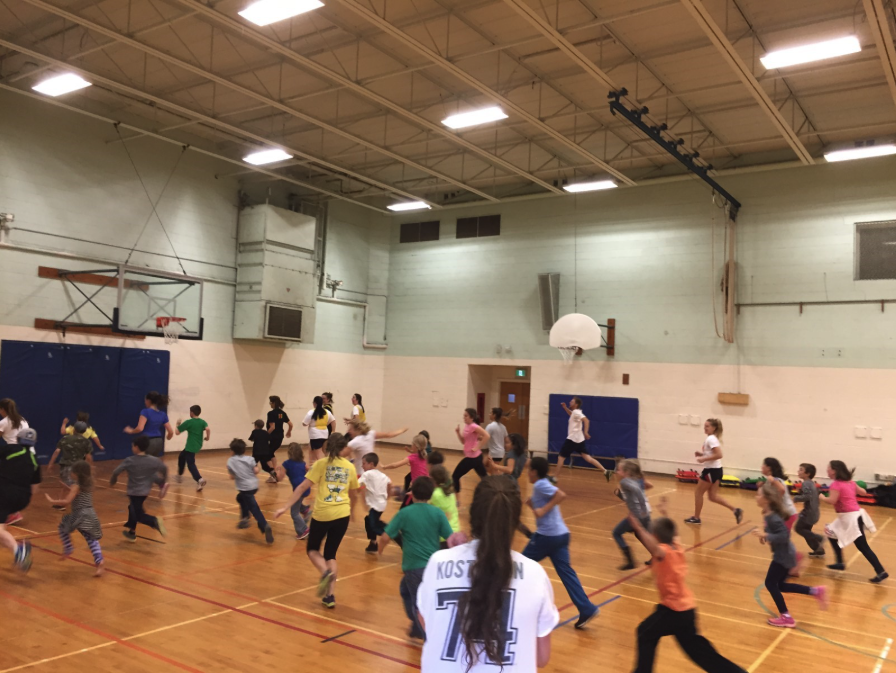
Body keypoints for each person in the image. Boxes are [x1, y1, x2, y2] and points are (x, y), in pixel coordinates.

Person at [417, 477, 559, 672]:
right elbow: (542, 658)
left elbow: (428, 623)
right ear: (515, 522)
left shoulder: (437, 563)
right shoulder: (535, 574)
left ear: (473, 514)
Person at [628, 503, 748, 673]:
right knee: (698, 652)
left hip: (673, 610)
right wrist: (665, 513)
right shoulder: (676, 547)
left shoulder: (663, 552)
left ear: (655, 536)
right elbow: (673, 533)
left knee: (644, 632)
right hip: (687, 609)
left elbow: (654, 546)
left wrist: (638, 527)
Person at [274, 433, 359, 609]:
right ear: (344, 447)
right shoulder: (349, 467)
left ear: (327, 447)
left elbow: (303, 487)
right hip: (342, 514)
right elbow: (353, 494)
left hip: (323, 514)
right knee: (331, 554)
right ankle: (330, 596)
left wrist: (285, 506)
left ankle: (324, 571)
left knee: (312, 549)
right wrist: (352, 511)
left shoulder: (321, 464)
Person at [523, 456, 598, 629]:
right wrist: (533, 506)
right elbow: (541, 512)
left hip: (547, 537)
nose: (527, 473)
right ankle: (587, 608)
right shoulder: (541, 485)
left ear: (534, 472)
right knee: (567, 574)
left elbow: (560, 495)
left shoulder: (540, 484)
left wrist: (541, 509)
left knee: (519, 566)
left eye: (529, 470)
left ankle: (510, 603)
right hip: (561, 535)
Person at [379, 476, 453, 641]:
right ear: (431, 494)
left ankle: (427, 636)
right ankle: (417, 627)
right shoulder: (437, 513)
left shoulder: (405, 513)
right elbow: (451, 539)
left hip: (414, 568)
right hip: (433, 567)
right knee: (405, 590)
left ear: (411, 493)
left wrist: (380, 549)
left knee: (417, 603)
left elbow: (385, 536)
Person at [753, 481, 828, 628]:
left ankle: (786, 617)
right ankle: (816, 591)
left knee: (770, 583)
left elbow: (784, 536)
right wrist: (766, 536)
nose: (756, 497)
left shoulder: (773, 517)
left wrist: (766, 535)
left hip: (784, 556)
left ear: (767, 499)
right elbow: (777, 534)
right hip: (786, 553)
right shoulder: (768, 514)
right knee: (780, 585)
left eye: (759, 494)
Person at [822, 460, 887, 582]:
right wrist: (851, 489)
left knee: (862, 546)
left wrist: (821, 497)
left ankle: (881, 571)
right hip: (851, 515)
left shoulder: (836, 485)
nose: (827, 470)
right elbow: (863, 492)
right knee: (831, 532)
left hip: (850, 517)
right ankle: (840, 562)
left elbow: (832, 501)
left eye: (829, 468)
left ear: (835, 470)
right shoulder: (849, 482)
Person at [45, 460, 104, 577]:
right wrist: (67, 487)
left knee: (62, 527)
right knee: (91, 539)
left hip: (79, 514)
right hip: (90, 513)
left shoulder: (76, 486)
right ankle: (100, 561)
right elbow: (76, 493)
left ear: (76, 473)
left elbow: (66, 501)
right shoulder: (88, 484)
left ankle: (68, 547)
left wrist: (53, 501)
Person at [685, 418, 743, 526]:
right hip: (717, 470)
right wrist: (702, 455)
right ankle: (735, 510)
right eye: (704, 426)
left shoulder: (711, 439)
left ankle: (696, 518)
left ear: (714, 428)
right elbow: (713, 454)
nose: (705, 428)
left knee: (698, 493)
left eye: (707, 426)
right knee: (712, 496)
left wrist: (703, 459)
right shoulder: (712, 438)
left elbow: (719, 455)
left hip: (711, 471)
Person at [110, 436, 169, 542]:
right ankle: (132, 532)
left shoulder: (130, 460)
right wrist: (163, 482)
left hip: (134, 492)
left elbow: (116, 471)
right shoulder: (154, 460)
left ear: (136, 447)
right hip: (145, 492)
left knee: (139, 515)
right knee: (133, 508)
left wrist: (113, 480)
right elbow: (164, 469)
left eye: (132, 446)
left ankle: (154, 521)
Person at [0, 427, 39, 571]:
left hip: (4, 493)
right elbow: (34, 489)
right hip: (23, 499)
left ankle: (19, 552)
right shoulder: (34, 460)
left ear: (18, 438)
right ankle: (19, 548)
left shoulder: (10, 449)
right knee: (1, 529)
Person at [227, 438, 274, 544]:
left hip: (245, 488)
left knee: (254, 508)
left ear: (233, 451)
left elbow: (231, 476)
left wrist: (237, 474)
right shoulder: (250, 459)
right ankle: (245, 518)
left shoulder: (230, 461)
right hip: (254, 486)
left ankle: (264, 525)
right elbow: (256, 471)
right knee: (240, 498)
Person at [556, 397, 611, 478]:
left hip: (572, 439)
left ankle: (554, 478)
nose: (570, 402)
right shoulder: (575, 412)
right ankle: (606, 471)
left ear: (576, 404)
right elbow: (572, 415)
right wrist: (565, 408)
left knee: (561, 457)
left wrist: (585, 432)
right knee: (588, 458)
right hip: (579, 440)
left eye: (572, 401)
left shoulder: (576, 413)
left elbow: (586, 420)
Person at [613, 459, 652, 570]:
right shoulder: (638, 479)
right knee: (641, 534)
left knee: (616, 533)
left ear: (627, 472)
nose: (616, 471)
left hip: (638, 515)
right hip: (646, 512)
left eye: (619, 470)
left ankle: (630, 562)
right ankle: (656, 555)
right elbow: (644, 489)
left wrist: (641, 509)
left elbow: (637, 492)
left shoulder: (625, 482)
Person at [452, 408, 489, 505]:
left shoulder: (473, 426)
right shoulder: (467, 426)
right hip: (476, 457)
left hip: (472, 458)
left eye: (466, 416)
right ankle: (492, 494)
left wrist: (478, 447)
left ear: (472, 417)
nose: (464, 417)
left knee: (455, 476)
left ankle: (457, 500)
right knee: (485, 478)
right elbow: (464, 442)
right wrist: (458, 433)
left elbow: (487, 436)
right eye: (464, 415)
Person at [277, 443, 311, 540]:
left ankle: (303, 530)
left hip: (298, 489)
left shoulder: (286, 464)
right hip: (306, 487)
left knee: (294, 513)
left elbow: (280, 478)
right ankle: (305, 509)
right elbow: (310, 471)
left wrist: (277, 471)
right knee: (297, 501)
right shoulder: (303, 463)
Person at [383, 434, 428, 507]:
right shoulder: (425, 456)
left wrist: (384, 467)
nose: (411, 445)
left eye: (412, 443)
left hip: (416, 489)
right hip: (426, 488)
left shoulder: (412, 457)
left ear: (416, 446)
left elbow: (395, 465)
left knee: (403, 509)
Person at [358, 452, 391, 553]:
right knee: (368, 520)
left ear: (371, 464)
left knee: (375, 526)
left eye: (364, 463)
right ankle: (373, 544)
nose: (362, 466)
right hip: (381, 504)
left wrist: (361, 492)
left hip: (376, 506)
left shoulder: (367, 474)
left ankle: (394, 534)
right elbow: (390, 484)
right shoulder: (381, 474)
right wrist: (388, 496)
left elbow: (360, 484)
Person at [124, 391, 173, 457]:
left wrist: (131, 431)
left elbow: (140, 428)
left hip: (147, 441)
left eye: (145, 400)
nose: (145, 402)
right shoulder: (163, 414)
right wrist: (168, 438)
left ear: (148, 401)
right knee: (152, 463)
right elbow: (171, 432)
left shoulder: (145, 412)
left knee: (143, 463)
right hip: (159, 441)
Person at [47, 421, 93, 488]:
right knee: (77, 488)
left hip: (66, 467)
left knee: (66, 487)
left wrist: (50, 464)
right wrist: (89, 470)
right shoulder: (87, 442)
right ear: (85, 431)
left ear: (74, 429)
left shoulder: (65, 438)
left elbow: (57, 451)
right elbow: (88, 457)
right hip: (79, 468)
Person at [175, 405, 209, 491]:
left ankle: (199, 479)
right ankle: (179, 475)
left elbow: (177, 432)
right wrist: (207, 437)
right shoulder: (202, 422)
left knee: (190, 464)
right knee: (182, 456)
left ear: (192, 413)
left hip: (191, 446)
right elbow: (208, 429)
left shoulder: (189, 422)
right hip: (198, 445)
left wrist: (177, 424)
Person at [793, 463, 824, 556]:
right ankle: (818, 550)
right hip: (814, 512)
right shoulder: (811, 483)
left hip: (809, 513)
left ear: (808, 473)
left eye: (801, 469)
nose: (798, 471)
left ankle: (820, 538)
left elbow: (807, 496)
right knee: (807, 532)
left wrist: (796, 498)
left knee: (798, 528)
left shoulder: (806, 483)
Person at [429, 464, 461, 541]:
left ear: (433, 479)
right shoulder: (450, 491)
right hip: (456, 531)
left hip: (443, 536)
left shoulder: (435, 494)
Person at [303, 396, 336, 464]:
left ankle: (326, 468)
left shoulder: (311, 412)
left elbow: (304, 423)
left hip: (315, 436)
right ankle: (313, 469)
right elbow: (333, 421)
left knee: (319, 455)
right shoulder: (327, 412)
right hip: (325, 435)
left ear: (314, 403)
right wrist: (333, 431)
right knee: (314, 453)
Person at [266, 395, 293, 466]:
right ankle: (274, 470)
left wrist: (265, 435)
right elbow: (290, 424)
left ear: (274, 403)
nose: (270, 404)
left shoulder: (271, 413)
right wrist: (289, 432)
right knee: (270, 452)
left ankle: (274, 471)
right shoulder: (282, 413)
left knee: (268, 453)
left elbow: (272, 427)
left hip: (273, 437)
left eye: (270, 402)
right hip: (280, 436)